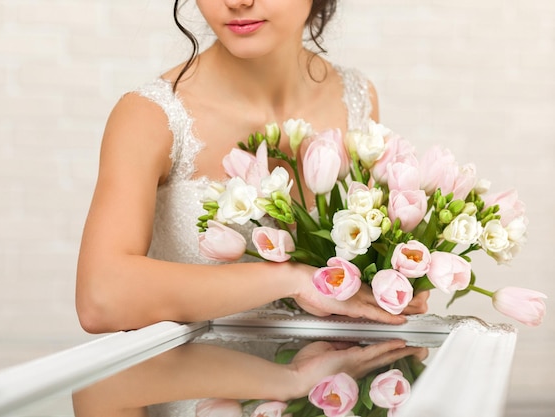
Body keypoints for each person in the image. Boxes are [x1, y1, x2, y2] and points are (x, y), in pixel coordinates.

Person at [74, 0, 429, 414]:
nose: (237, 1)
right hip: (192, 396)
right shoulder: (150, 116)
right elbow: (100, 298)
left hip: (325, 396)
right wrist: (294, 280)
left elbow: (355, 264)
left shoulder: (355, 98)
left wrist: (390, 286)